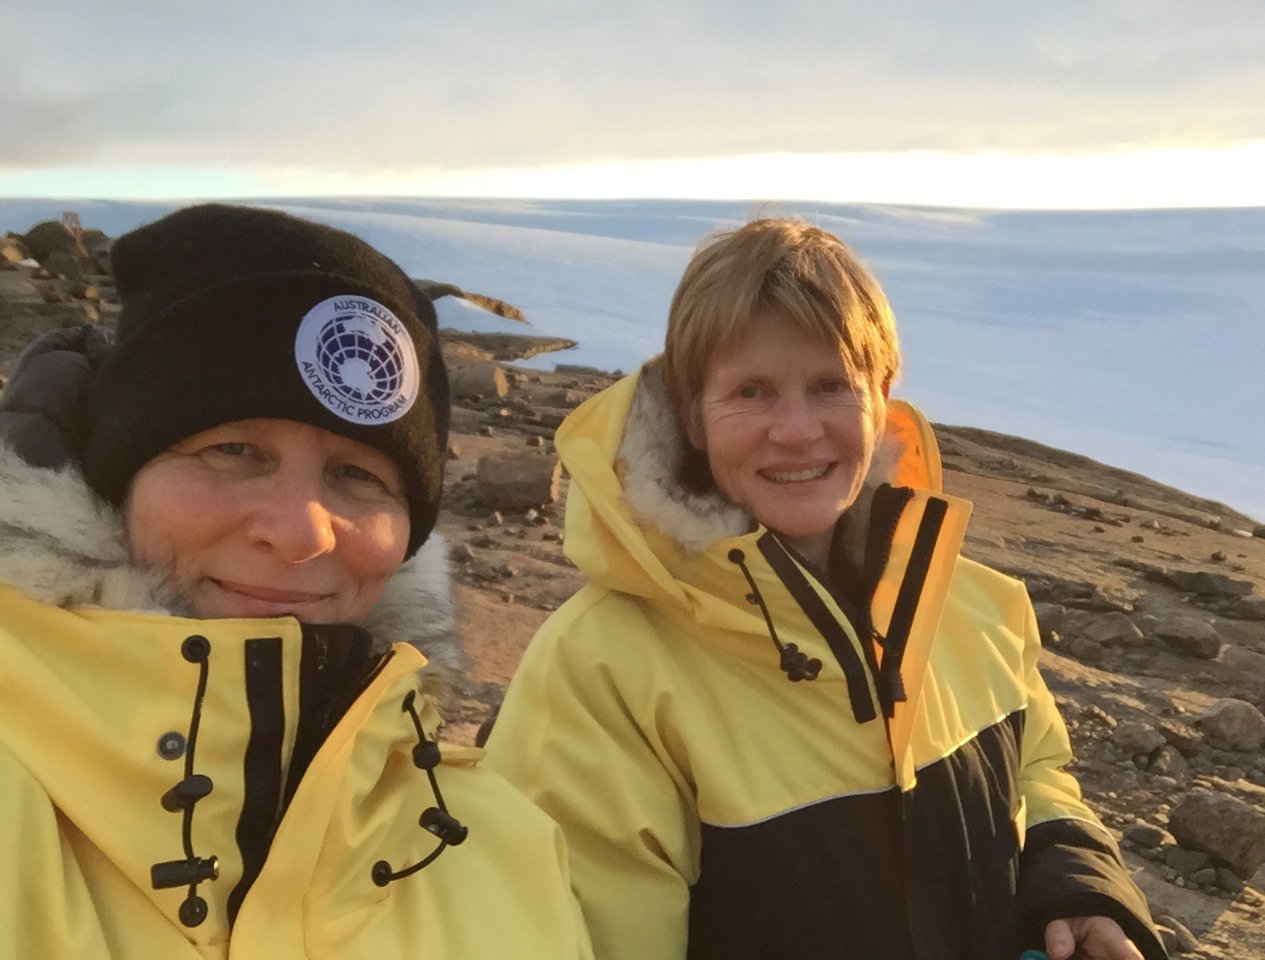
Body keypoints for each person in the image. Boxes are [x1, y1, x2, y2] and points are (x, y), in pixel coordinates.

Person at [485, 218, 1167, 960]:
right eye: (752, 391)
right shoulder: (600, 674)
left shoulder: (975, 606)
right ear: (692, 413)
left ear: (880, 397)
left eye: (830, 385)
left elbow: (1040, 773)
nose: (798, 431)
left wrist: (1077, 887)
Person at [0, 204, 589, 959]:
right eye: (233, 449)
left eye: (357, 473)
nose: (302, 529)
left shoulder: (507, 852)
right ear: (117, 479)